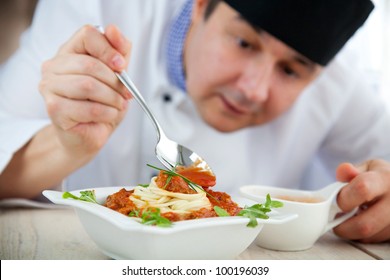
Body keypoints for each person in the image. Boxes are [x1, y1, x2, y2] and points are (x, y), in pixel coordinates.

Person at [0, 0, 389, 243]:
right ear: (201, 6)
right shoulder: (97, 10)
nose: (254, 89)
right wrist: (67, 145)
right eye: (243, 42)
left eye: (291, 70)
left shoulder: (340, 81)